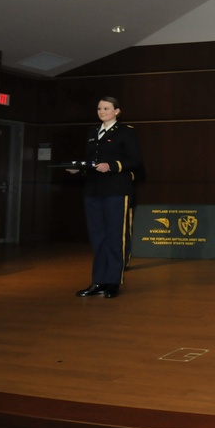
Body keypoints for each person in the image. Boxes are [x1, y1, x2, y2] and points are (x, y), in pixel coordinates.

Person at [70, 97, 145, 299]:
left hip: (116, 191)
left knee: (114, 238)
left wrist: (112, 166)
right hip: (93, 191)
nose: (102, 111)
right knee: (98, 238)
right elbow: (90, 160)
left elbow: (135, 161)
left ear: (117, 111)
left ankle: (112, 282)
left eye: (106, 108)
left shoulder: (126, 132)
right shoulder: (92, 133)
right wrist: (79, 168)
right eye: (99, 108)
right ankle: (98, 282)